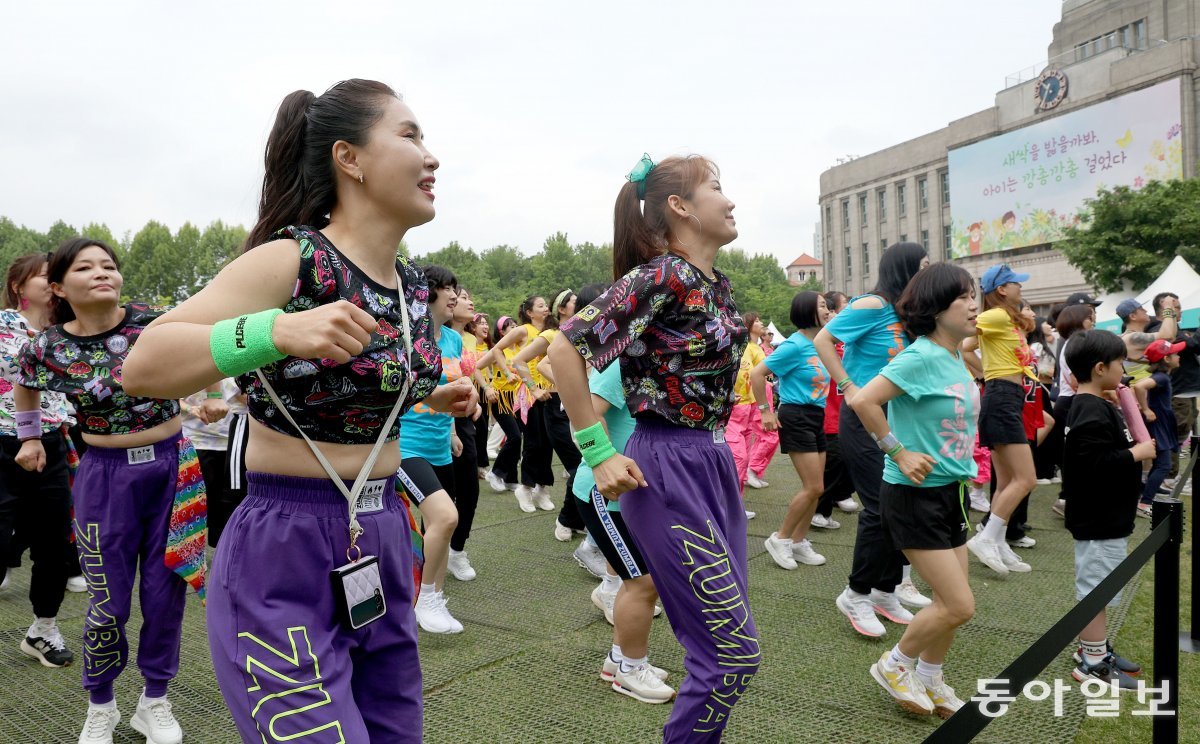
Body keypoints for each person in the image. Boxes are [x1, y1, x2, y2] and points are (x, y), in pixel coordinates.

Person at [121, 80, 476, 743]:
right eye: (409, 135)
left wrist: (433, 392)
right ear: (350, 158)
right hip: (283, 540)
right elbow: (145, 364)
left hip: (382, 534)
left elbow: (355, 377)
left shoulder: (414, 287)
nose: (430, 156)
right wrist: (272, 332)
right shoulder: (292, 260)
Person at [548, 153, 759, 743]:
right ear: (681, 206)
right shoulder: (662, 275)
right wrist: (596, 451)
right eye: (717, 187)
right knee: (731, 657)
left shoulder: (713, 283)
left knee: (726, 656)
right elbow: (565, 350)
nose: (730, 199)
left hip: (713, 464)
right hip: (667, 466)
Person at [15, 238, 205, 744]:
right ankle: (101, 703)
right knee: (107, 602)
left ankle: (154, 701)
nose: (102, 272)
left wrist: (203, 397)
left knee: (166, 593)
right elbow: (25, 380)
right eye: (85, 267)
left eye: (109, 265)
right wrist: (30, 435)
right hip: (104, 475)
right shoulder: (47, 346)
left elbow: (202, 350)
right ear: (57, 286)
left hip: (173, 469)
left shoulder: (156, 324)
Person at [854, 262, 980, 718]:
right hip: (913, 496)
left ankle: (930, 675)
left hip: (952, 493)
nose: (972, 303)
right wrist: (898, 451)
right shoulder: (919, 356)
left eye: (973, 294)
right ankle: (895, 664)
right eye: (961, 296)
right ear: (934, 306)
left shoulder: (954, 355)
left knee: (951, 601)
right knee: (960, 606)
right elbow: (862, 400)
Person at [815, 242, 931, 639]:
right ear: (906, 267)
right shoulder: (872, 304)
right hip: (863, 415)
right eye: (923, 265)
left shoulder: (909, 312)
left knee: (900, 502)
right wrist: (847, 386)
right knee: (879, 505)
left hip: (900, 418)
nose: (927, 271)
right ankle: (856, 593)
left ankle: (885, 590)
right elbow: (823, 341)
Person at [1062, 329, 1154, 687]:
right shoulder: (1090, 409)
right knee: (1096, 589)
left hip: (1106, 516)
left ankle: (1094, 647)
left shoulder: (1096, 404)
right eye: (1120, 363)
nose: (1125, 369)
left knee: (1101, 585)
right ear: (1100, 368)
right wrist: (1136, 453)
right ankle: (1092, 662)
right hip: (1099, 518)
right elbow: (1092, 465)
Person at [0, 254, 76, 669]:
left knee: (55, 542)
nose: (52, 284)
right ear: (18, 285)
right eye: (45, 277)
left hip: (51, 442)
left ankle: (42, 629)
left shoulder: (65, 330)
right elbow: (18, 370)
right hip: (3, 441)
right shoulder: (4, 324)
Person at [399, 265, 469, 634]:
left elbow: (453, 387)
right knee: (445, 517)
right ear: (426, 294)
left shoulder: (454, 340)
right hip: (405, 445)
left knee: (439, 522)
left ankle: (434, 598)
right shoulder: (407, 338)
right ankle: (423, 597)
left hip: (440, 444)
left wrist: (454, 430)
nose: (453, 294)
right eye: (444, 287)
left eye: (454, 287)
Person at [965, 264, 1036, 576]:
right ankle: (987, 537)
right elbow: (962, 338)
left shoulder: (1006, 319)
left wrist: (986, 372)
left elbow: (968, 347)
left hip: (1006, 396)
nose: (1020, 287)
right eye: (1015, 283)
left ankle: (998, 540)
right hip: (1001, 397)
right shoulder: (994, 315)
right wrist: (987, 375)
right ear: (1001, 289)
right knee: (1026, 479)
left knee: (1006, 481)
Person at [756, 291, 831, 569]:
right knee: (813, 486)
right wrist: (766, 411)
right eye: (822, 306)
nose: (827, 310)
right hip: (796, 414)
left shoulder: (822, 343)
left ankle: (798, 542)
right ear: (806, 311)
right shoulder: (795, 346)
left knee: (817, 488)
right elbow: (757, 373)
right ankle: (781, 538)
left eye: (827, 305)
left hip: (816, 414)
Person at [509, 289, 587, 536]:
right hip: (553, 403)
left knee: (576, 461)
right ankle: (565, 518)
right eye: (575, 302)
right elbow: (520, 361)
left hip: (575, 402)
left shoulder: (582, 332)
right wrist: (533, 388)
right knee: (573, 462)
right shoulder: (552, 334)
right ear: (562, 309)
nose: (582, 305)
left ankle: (567, 513)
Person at [811, 290, 861, 525]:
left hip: (848, 412)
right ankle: (820, 508)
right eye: (843, 308)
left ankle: (836, 497)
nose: (844, 313)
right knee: (833, 463)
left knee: (849, 460)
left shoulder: (849, 345)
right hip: (827, 416)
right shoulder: (817, 346)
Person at [1135, 339, 1183, 514]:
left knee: (1160, 462)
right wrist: (1146, 409)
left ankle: (1151, 489)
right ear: (1167, 359)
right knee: (1164, 464)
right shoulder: (1161, 377)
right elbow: (1139, 386)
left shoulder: (1163, 377)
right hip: (1159, 424)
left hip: (1161, 422)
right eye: (1176, 353)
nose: (1179, 356)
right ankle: (1145, 503)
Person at [484, 315, 522, 491]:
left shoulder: (518, 350)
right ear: (502, 332)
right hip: (501, 398)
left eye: (516, 325)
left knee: (516, 439)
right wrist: (487, 387)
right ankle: (496, 472)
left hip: (518, 400)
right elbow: (477, 367)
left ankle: (510, 479)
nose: (515, 328)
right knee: (514, 436)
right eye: (510, 327)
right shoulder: (497, 351)